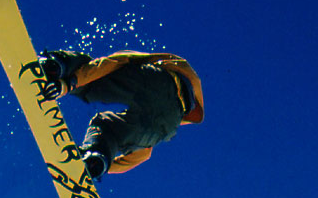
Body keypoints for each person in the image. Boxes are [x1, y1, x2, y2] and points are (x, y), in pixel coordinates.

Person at [37, 48, 204, 182]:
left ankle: (57, 66)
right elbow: (143, 154)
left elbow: (115, 61)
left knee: (93, 77)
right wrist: (106, 164)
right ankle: (96, 157)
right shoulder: (173, 118)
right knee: (109, 131)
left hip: (158, 82)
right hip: (167, 126)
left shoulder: (155, 60)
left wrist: (70, 82)